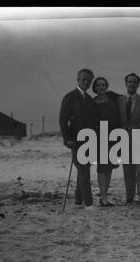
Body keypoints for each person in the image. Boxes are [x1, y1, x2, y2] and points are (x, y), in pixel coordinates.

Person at [59, 68, 97, 210]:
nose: (86, 82)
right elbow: (63, 120)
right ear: (78, 80)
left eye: (89, 80)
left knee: (84, 169)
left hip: (90, 140)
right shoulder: (70, 97)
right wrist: (67, 138)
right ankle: (89, 204)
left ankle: (78, 201)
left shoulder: (89, 99)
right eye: (83, 80)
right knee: (83, 170)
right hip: (75, 140)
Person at [117, 73, 140, 208]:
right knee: (127, 169)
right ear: (126, 84)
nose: (132, 84)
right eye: (129, 82)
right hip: (124, 137)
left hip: (139, 136)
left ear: (138, 84)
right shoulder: (119, 100)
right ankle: (129, 197)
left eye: (134, 82)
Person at [91, 77, 122, 207]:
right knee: (102, 168)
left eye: (103, 84)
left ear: (107, 86)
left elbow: (125, 99)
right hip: (100, 136)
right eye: (98, 85)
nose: (101, 87)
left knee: (110, 167)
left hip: (114, 137)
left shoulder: (112, 96)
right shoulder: (92, 103)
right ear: (95, 88)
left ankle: (105, 195)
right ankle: (103, 197)